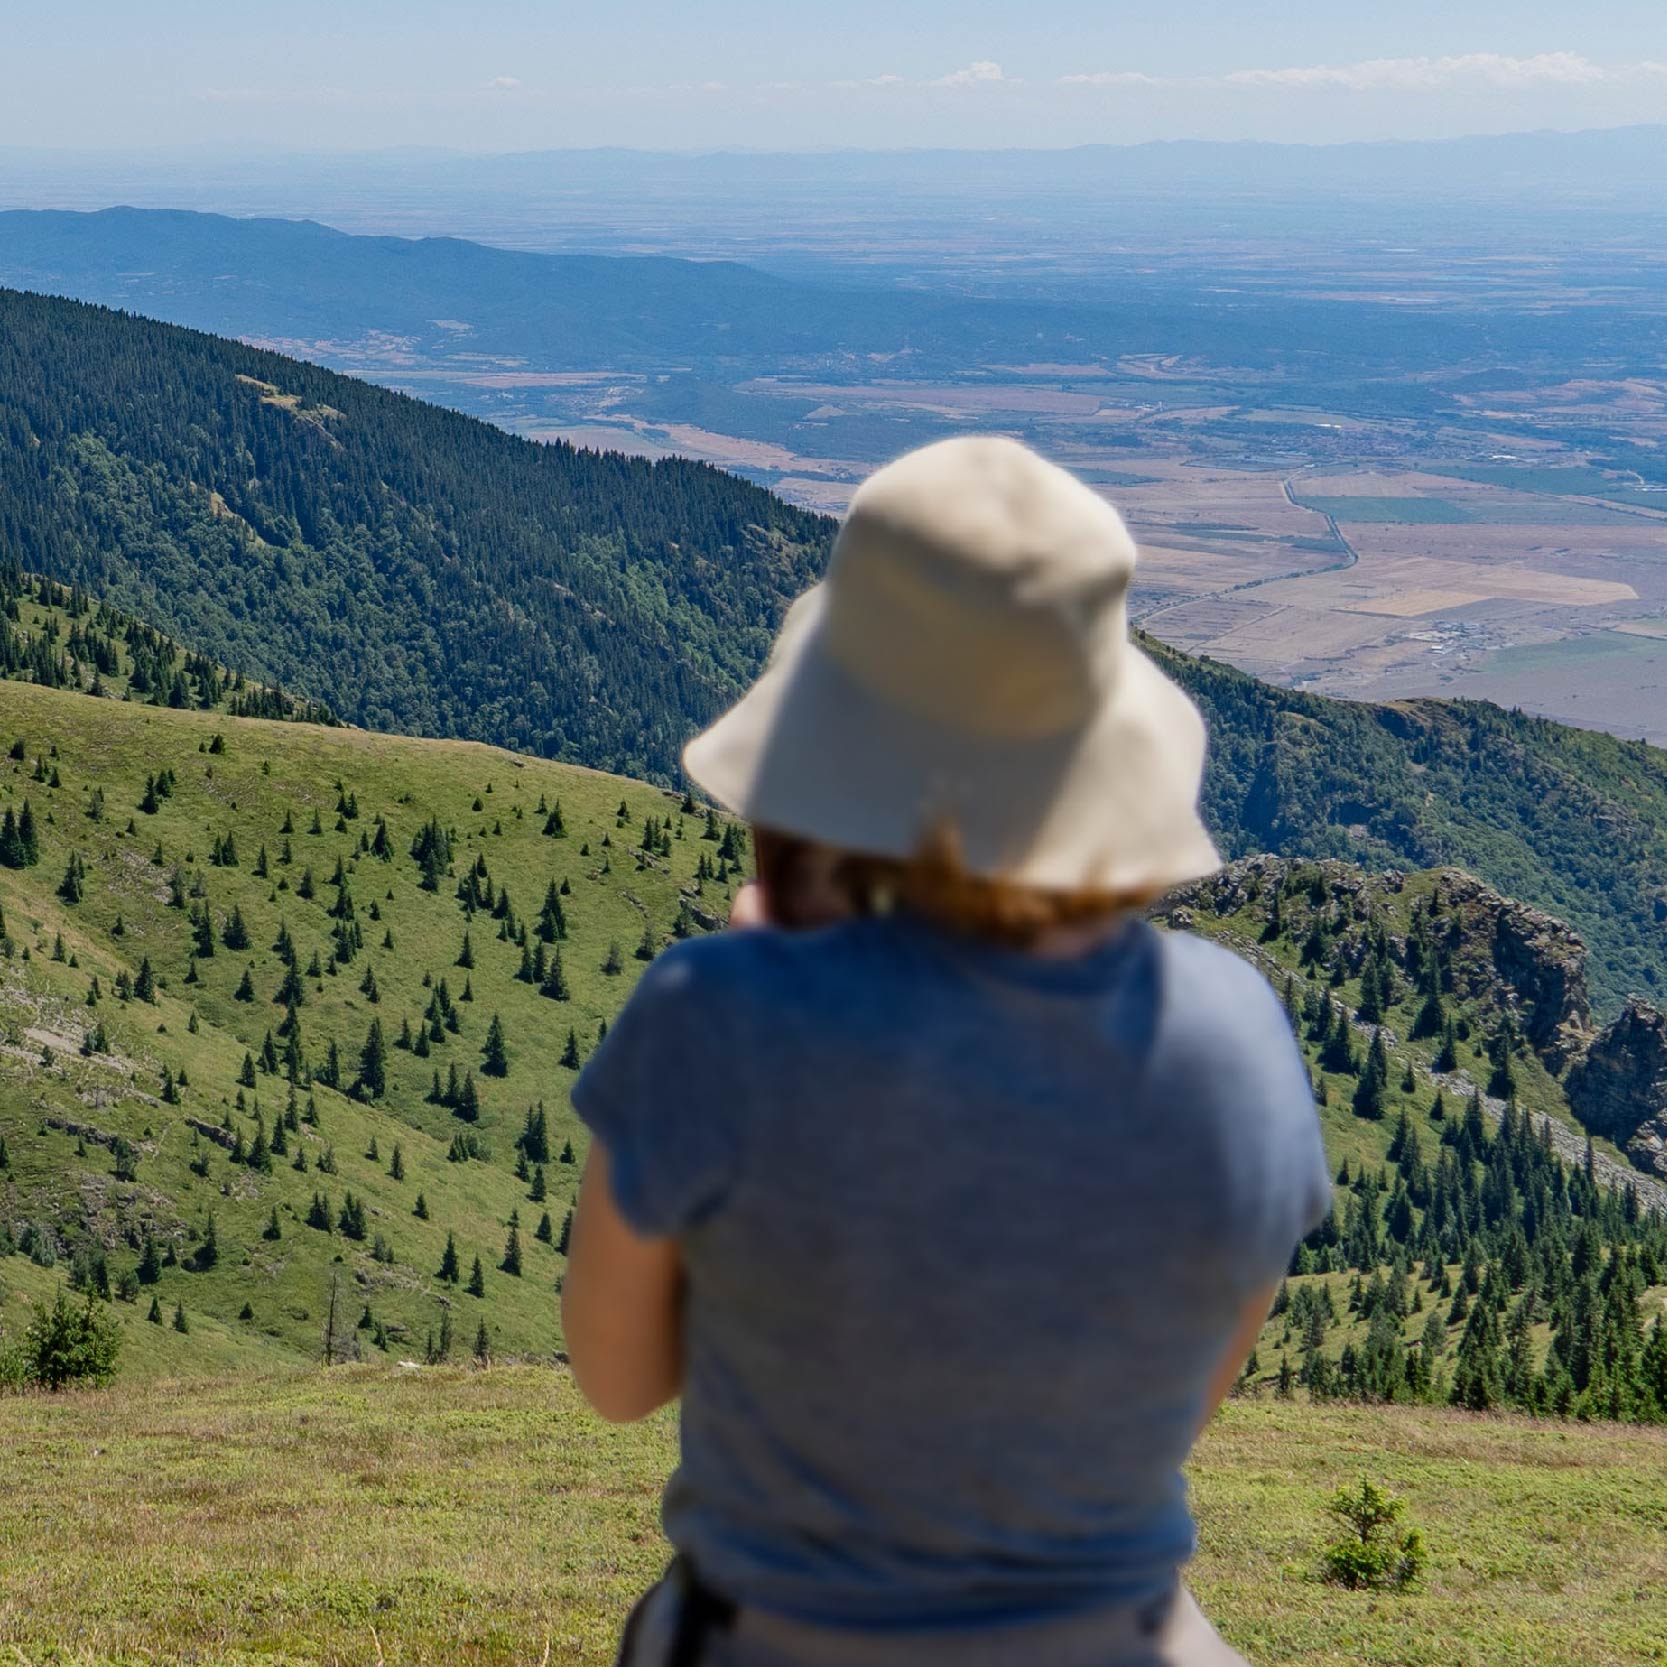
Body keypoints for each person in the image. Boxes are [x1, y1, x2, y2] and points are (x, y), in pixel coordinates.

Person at [562, 436, 1332, 1667]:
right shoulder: (1237, 1029)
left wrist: (755, 1008)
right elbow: (1171, 1408)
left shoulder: (712, 1011)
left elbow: (617, 1375)